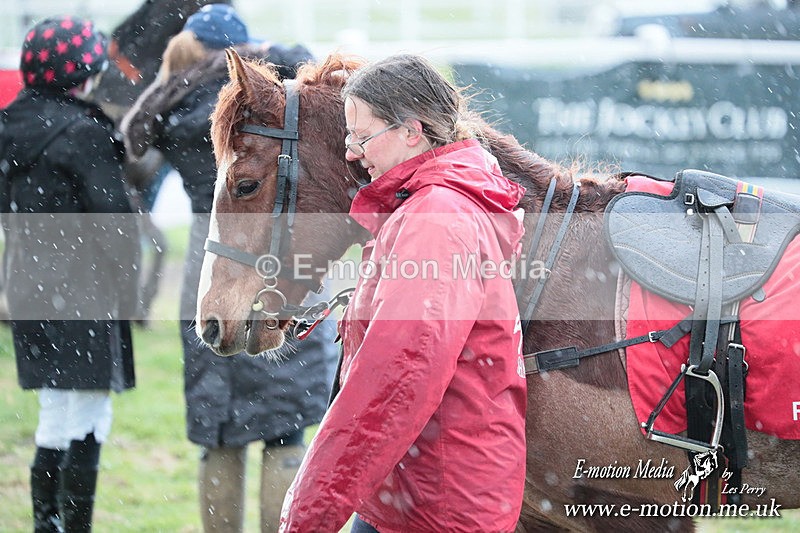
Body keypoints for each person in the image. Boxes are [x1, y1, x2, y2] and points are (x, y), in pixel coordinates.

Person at [279, 54, 528, 532]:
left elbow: (395, 381)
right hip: (418, 487)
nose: (352, 152)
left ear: (412, 131)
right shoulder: (432, 204)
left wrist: (309, 515)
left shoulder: (438, 218)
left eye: (362, 136)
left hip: (434, 502)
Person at [120, 5, 337, 532]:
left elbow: (133, 160)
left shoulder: (171, 105)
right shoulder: (270, 110)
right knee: (286, 432)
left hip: (208, 263)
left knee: (218, 432)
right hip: (280, 257)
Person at [0, 16, 140, 533]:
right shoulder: (85, 131)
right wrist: (128, 290)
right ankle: (68, 526)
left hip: (29, 286)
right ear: (83, 73)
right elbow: (116, 224)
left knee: (54, 415)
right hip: (85, 289)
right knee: (87, 419)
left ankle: (47, 524)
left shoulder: (7, 125)